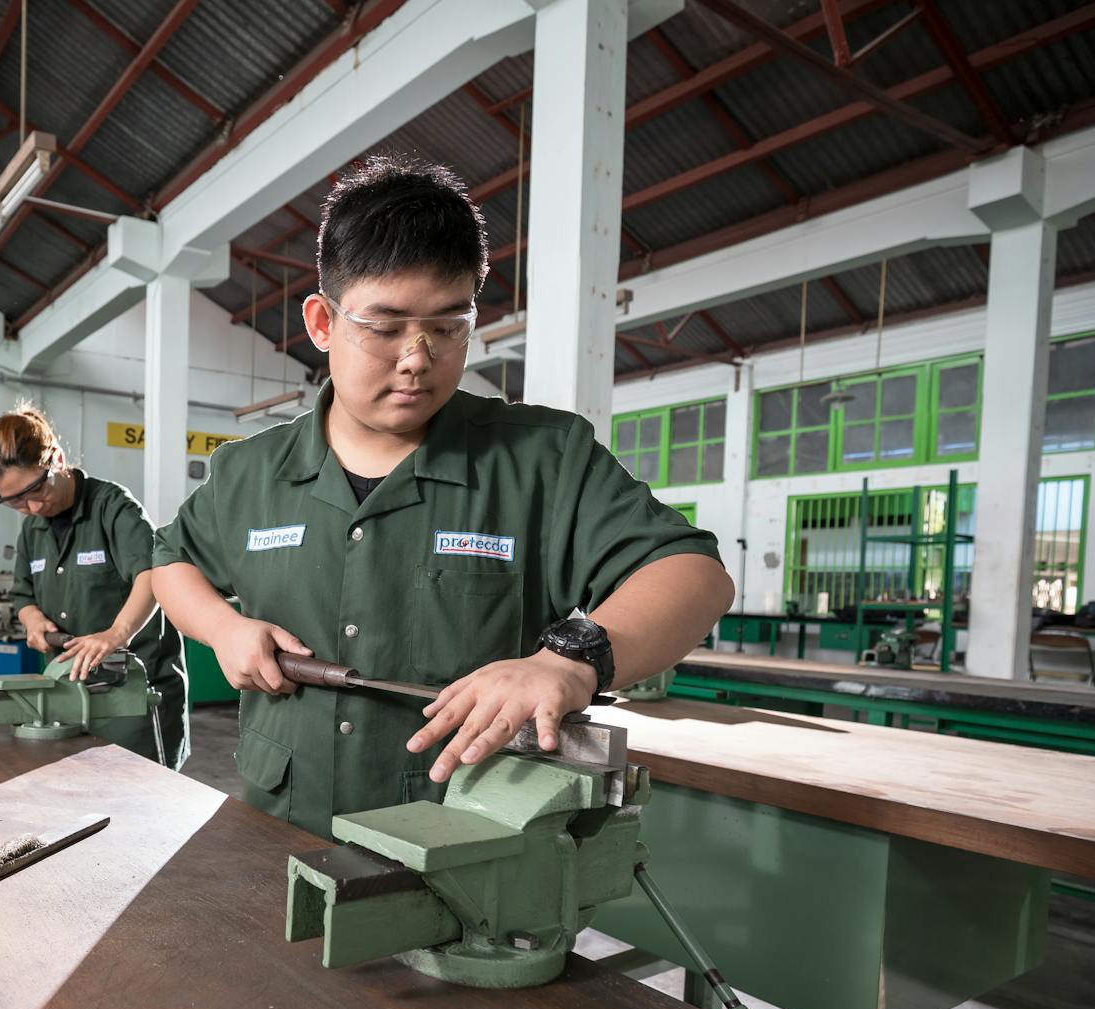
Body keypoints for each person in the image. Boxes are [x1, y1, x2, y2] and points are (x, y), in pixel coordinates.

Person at [151, 153, 732, 838]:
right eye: (385, 326)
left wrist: (569, 661)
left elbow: (694, 575)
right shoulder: (249, 472)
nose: (417, 357)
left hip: (467, 846)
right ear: (321, 322)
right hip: (279, 830)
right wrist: (226, 628)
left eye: (448, 325)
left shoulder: (541, 460)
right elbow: (169, 559)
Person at [0, 405, 189, 768]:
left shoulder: (113, 508)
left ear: (56, 459)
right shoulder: (32, 527)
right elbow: (23, 594)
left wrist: (116, 633)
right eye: (13, 501)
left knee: (139, 802)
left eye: (34, 490)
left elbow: (154, 574)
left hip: (131, 695)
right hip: (68, 692)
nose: (30, 506)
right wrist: (33, 621)